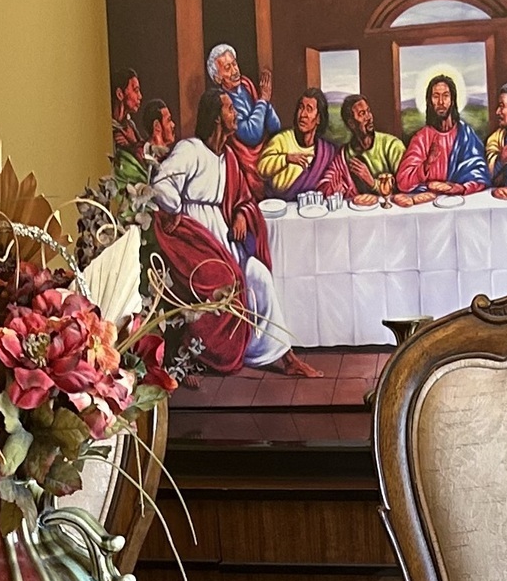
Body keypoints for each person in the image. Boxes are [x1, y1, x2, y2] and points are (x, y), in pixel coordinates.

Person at [149, 86, 279, 369]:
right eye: (231, 109)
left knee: (257, 274)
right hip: (191, 236)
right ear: (217, 118)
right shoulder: (190, 149)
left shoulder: (229, 157)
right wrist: (174, 210)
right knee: (223, 282)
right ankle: (200, 355)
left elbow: (244, 198)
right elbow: (161, 184)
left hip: (222, 234)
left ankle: (265, 352)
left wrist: (243, 215)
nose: (236, 115)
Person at [392, 72, 488, 201]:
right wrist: (426, 165)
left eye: (446, 96)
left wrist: (462, 188)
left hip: (462, 201)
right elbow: (403, 182)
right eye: (436, 96)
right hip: (428, 203)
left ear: (453, 100)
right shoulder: (422, 138)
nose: (441, 102)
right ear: (429, 101)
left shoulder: (465, 134)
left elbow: (481, 172)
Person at [258, 89, 361, 199]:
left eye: (309, 109)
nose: (303, 115)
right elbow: (261, 168)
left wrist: (337, 187)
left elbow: (336, 178)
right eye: (301, 108)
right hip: (279, 205)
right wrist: (286, 158)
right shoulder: (282, 140)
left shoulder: (326, 152)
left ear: (319, 118)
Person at [206, 43, 280, 148]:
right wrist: (263, 100)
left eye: (234, 64)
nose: (235, 71)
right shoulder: (224, 103)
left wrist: (264, 102)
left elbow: (275, 126)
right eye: (228, 68)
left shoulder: (246, 84)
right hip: (243, 159)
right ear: (217, 78)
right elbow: (252, 136)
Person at [339, 92, 406, 199]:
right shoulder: (345, 154)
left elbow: (404, 186)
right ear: (351, 123)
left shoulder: (392, 145)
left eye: (368, 111)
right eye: (362, 114)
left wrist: (372, 182)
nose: (369, 117)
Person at [113, 95, 174, 184]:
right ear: (157, 126)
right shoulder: (137, 157)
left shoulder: (171, 157)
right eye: (169, 120)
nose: (173, 125)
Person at [109, 67, 147, 173]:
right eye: (136, 90)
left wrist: (133, 141)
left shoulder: (130, 125)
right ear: (120, 94)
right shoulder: (108, 127)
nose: (140, 96)